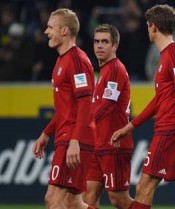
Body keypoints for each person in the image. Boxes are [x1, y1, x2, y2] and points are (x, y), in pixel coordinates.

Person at [111, 4, 175, 209]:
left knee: (144, 185)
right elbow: (159, 100)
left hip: (171, 130)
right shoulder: (168, 56)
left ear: (153, 27)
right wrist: (130, 127)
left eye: (147, 26)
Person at [32, 8, 95, 209]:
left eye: (50, 27)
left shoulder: (76, 60)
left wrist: (75, 140)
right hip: (67, 135)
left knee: (53, 199)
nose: (46, 31)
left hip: (74, 138)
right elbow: (67, 108)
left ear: (64, 31)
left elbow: (85, 102)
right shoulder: (62, 60)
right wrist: (46, 133)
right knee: (73, 202)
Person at [83, 24, 133, 209]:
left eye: (105, 42)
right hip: (98, 143)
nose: (99, 46)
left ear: (115, 46)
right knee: (88, 198)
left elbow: (107, 105)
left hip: (114, 144)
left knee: (118, 199)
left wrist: (82, 124)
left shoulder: (114, 69)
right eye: (97, 41)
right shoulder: (104, 71)